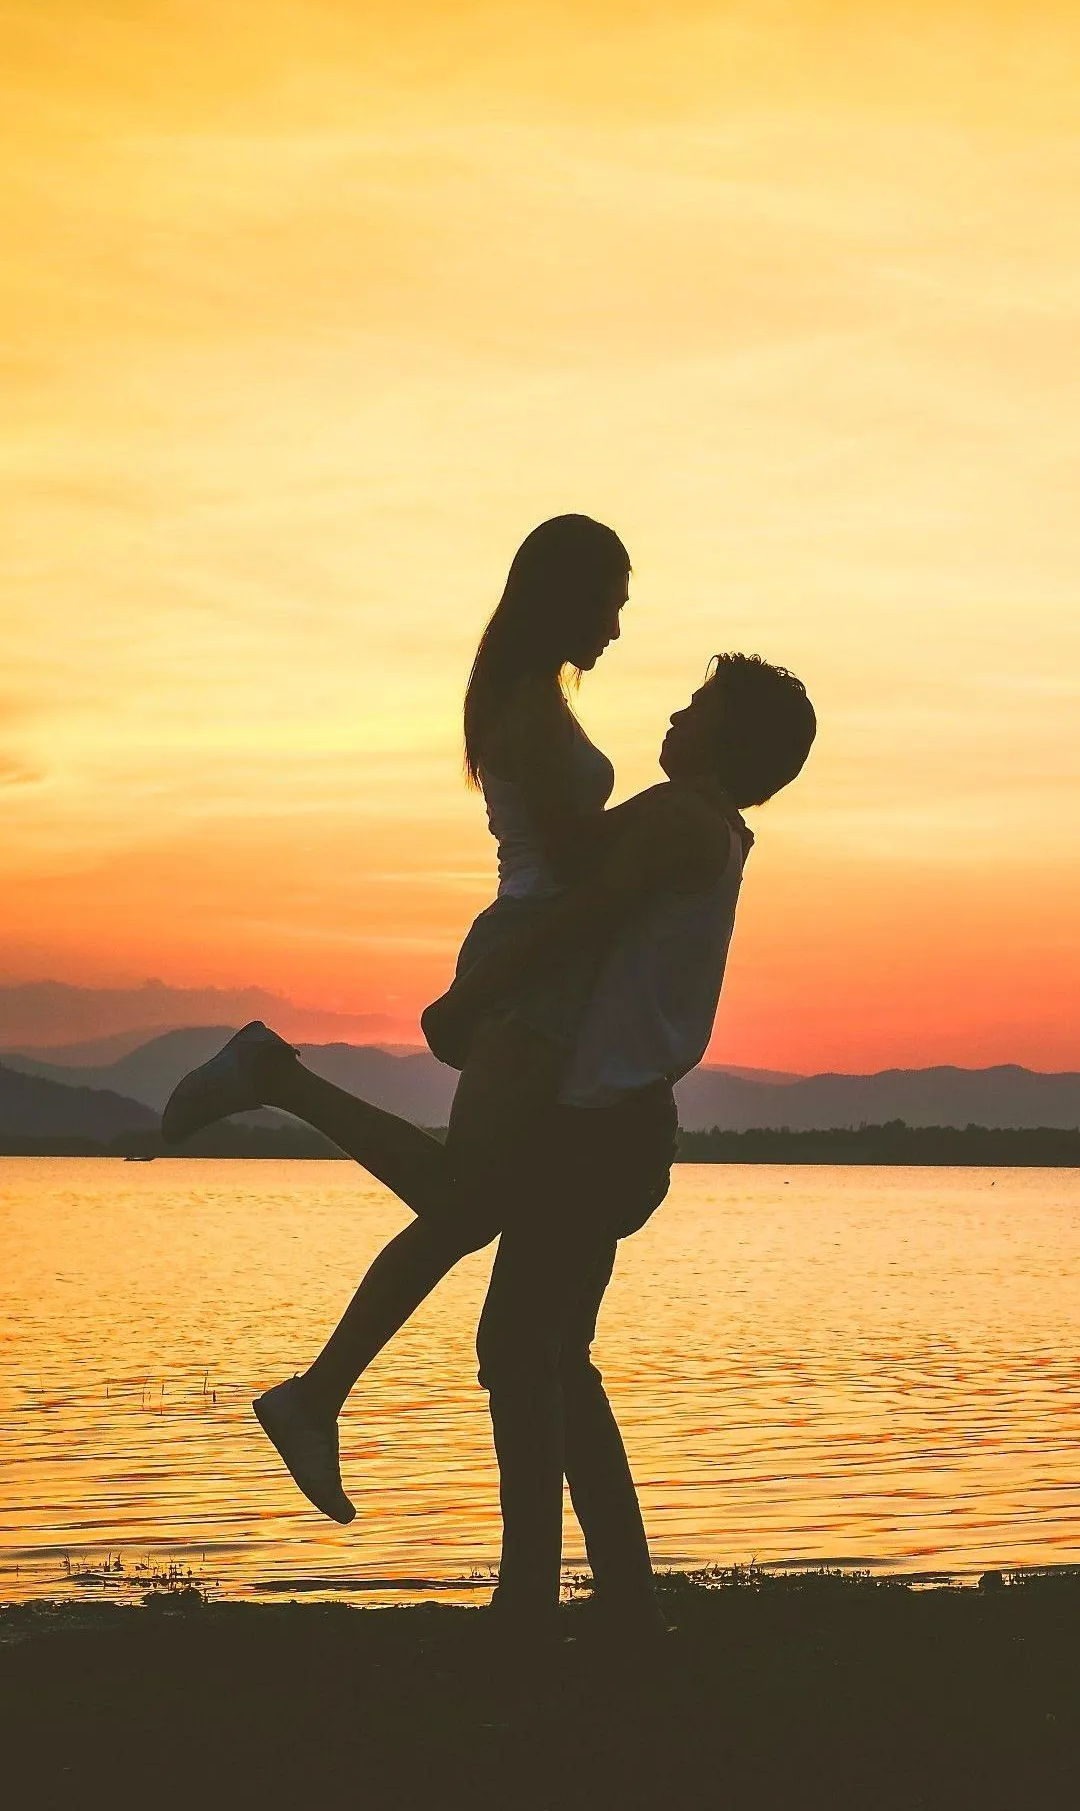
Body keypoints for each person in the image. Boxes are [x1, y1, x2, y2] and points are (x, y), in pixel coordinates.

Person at [162, 651, 816, 1637]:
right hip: (616, 1120)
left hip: (600, 1126)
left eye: (698, 705)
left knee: (509, 1319)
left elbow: (582, 896)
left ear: (730, 738)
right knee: (551, 1352)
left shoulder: (685, 819)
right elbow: (581, 854)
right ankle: (622, 1603)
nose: (677, 715)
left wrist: (472, 992)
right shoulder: (705, 827)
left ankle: (529, 1606)